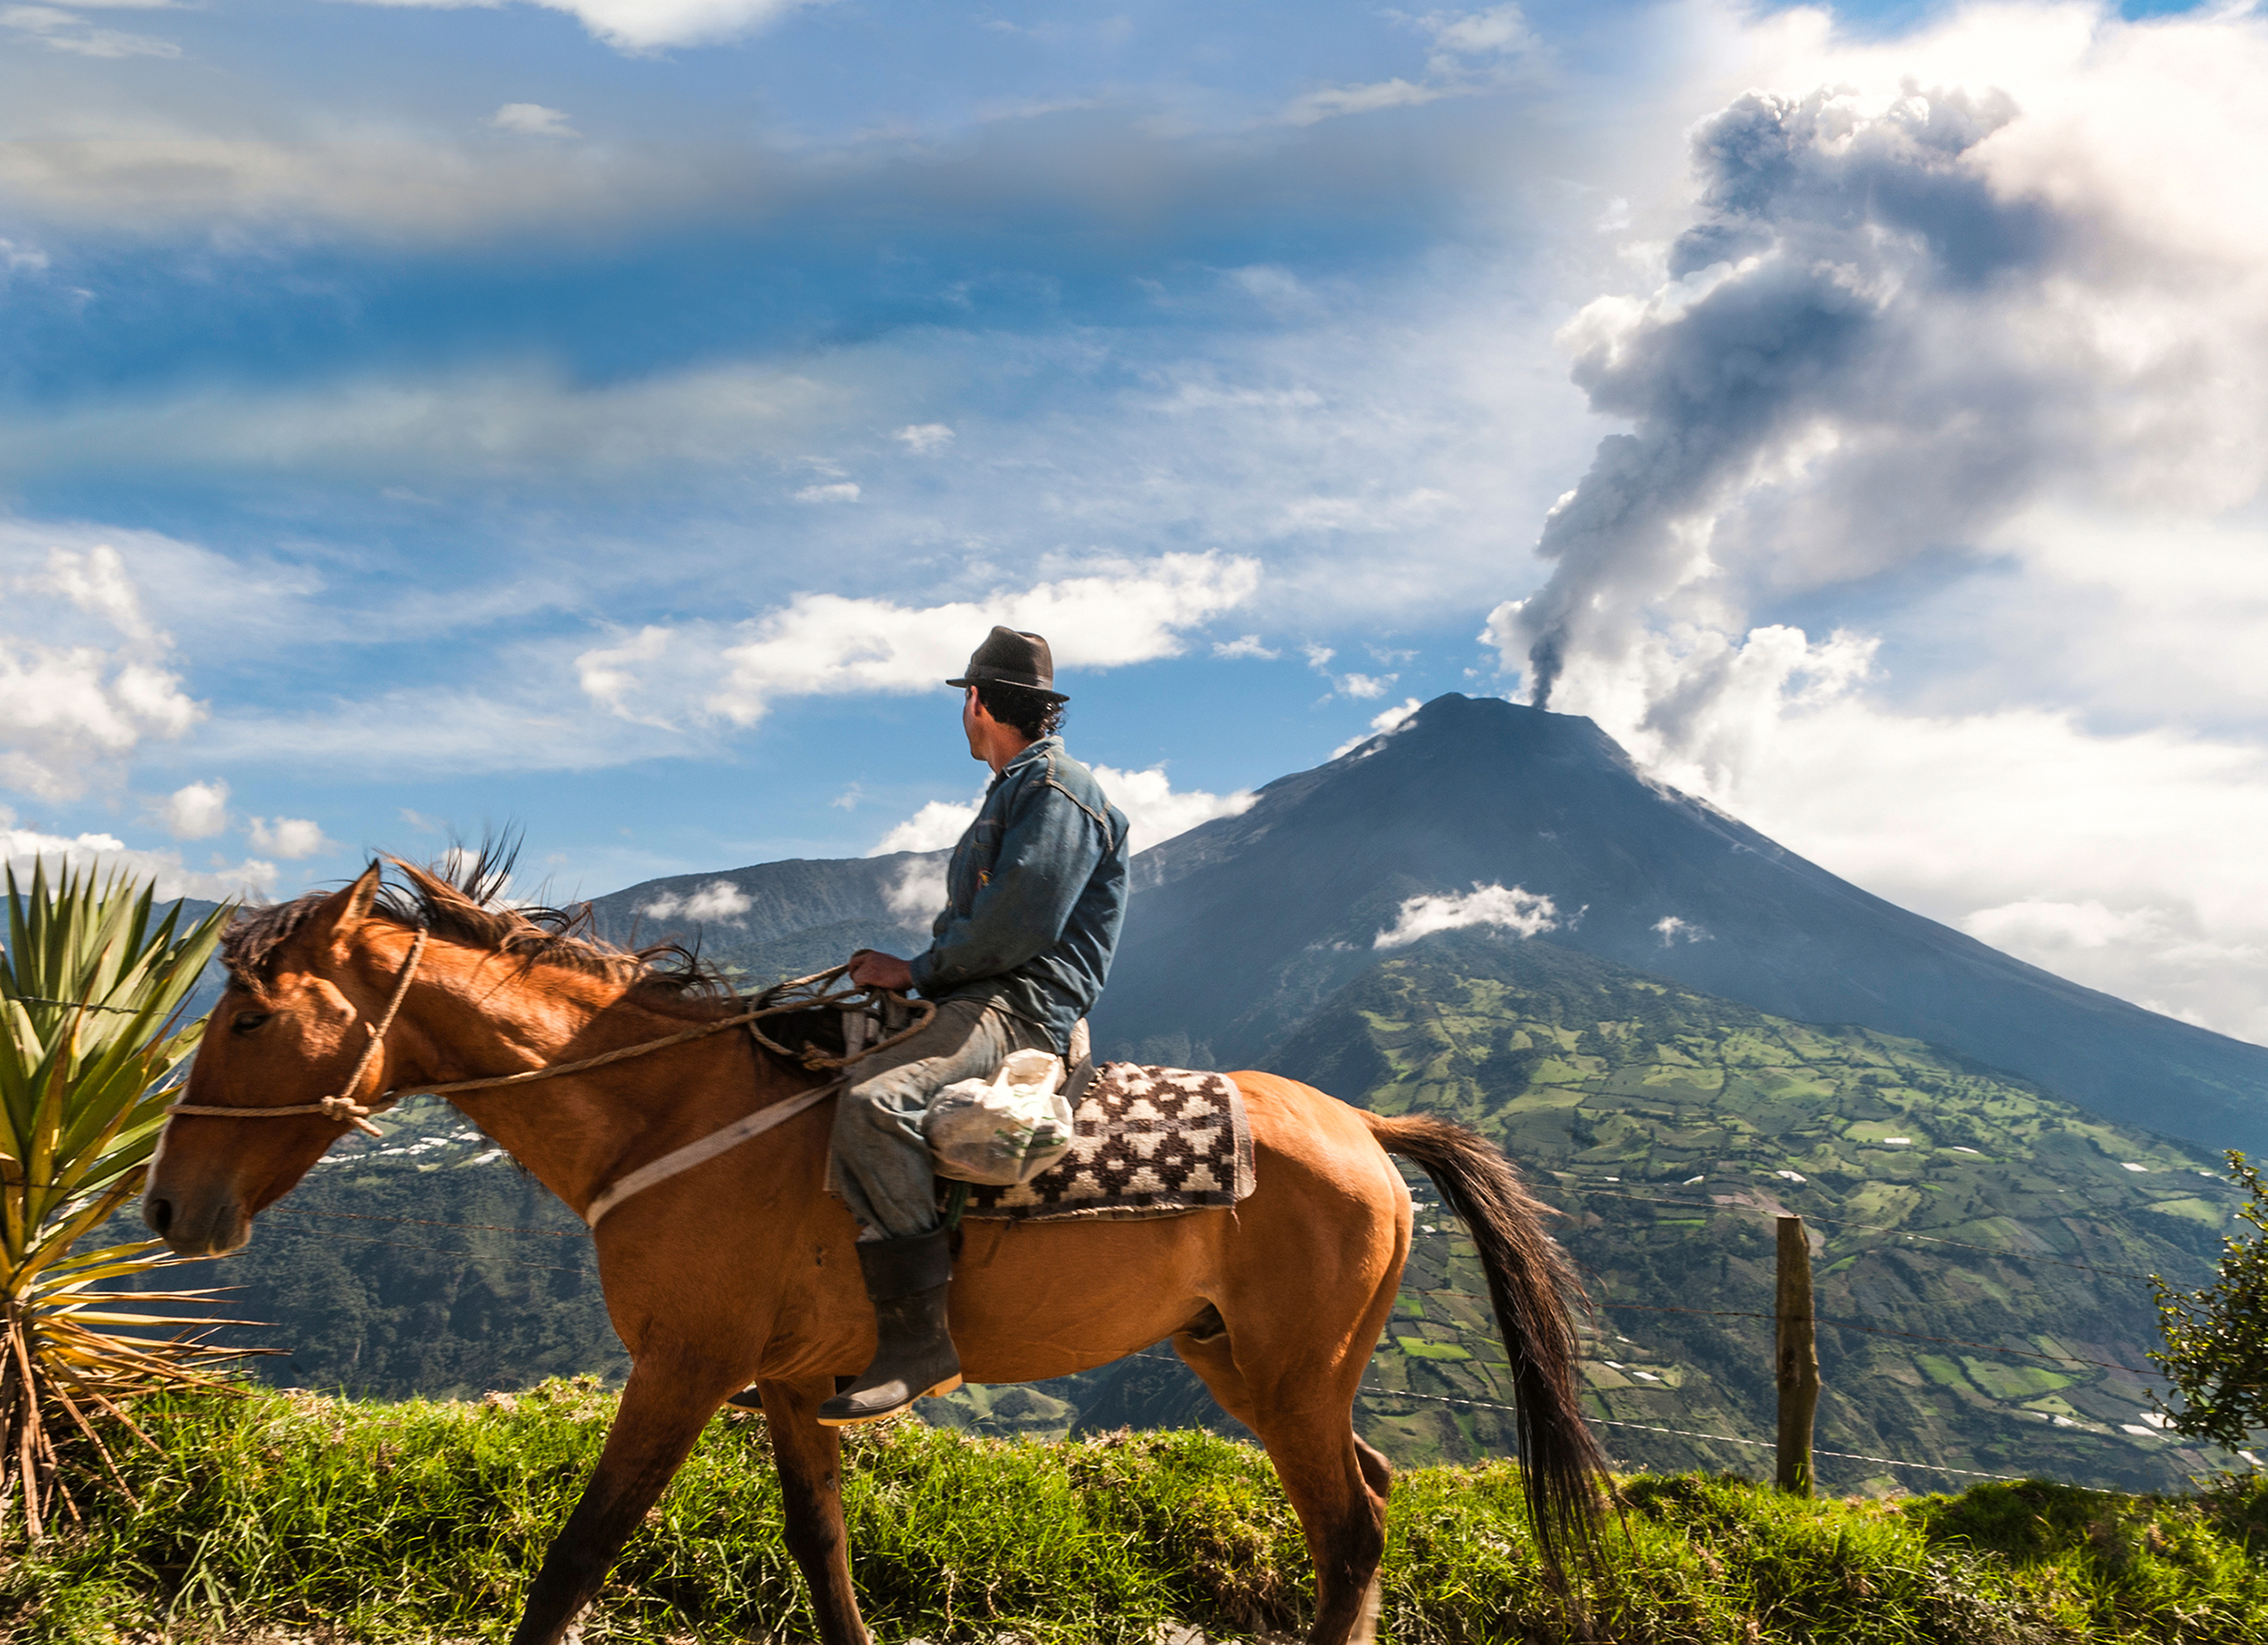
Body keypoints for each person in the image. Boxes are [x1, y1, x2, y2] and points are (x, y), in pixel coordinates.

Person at [818, 626, 1131, 1425]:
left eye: (964, 702)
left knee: (873, 1104)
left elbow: (1016, 925)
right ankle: (821, 1327)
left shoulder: (1059, 788)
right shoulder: (1020, 784)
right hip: (977, 996)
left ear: (978, 702)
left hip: (1017, 1006)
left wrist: (915, 972)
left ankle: (920, 1343)